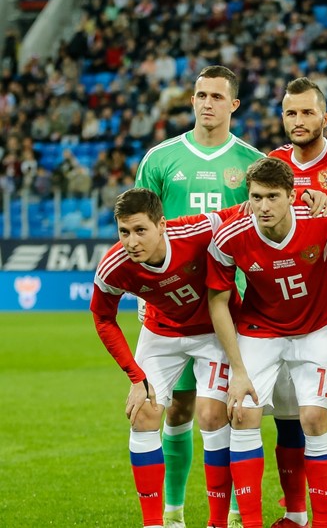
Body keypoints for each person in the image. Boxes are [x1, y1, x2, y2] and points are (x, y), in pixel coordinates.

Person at [135, 64, 263, 528]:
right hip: (169, 304)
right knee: (176, 407)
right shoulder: (160, 159)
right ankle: (172, 511)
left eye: (216, 96)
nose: (207, 103)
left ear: (234, 105)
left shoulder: (251, 161)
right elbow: (138, 229)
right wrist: (140, 293)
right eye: (200, 95)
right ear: (192, 101)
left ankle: (230, 511)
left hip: (227, 306)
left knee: (221, 410)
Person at [206, 157, 327, 528]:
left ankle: (322, 522)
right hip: (261, 330)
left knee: (314, 417)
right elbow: (218, 301)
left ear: (293, 196)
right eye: (256, 197)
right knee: (242, 414)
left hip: (317, 328)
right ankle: (253, 523)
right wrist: (238, 370)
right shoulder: (230, 236)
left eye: (273, 197)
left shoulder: (323, 219)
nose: (263, 206)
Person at [90, 188, 241, 528]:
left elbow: (243, 210)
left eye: (140, 230)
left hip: (213, 332)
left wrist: (304, 197)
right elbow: (102, 317)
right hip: (162, 334)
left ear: (162, 225)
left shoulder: (194, 231)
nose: (131, 241)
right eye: (123, 232)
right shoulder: (114, 265)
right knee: (143, 413)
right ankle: (154, 524)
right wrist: (135, 377)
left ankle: (217, 522)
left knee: (212, 415)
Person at [268, 77, 327, 528]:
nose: (299, 121)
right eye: (292, 112)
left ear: (326, 118)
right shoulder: (273, 165)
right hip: (286, 315)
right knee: (288, 418)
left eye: (308, 113)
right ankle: (295, 513)